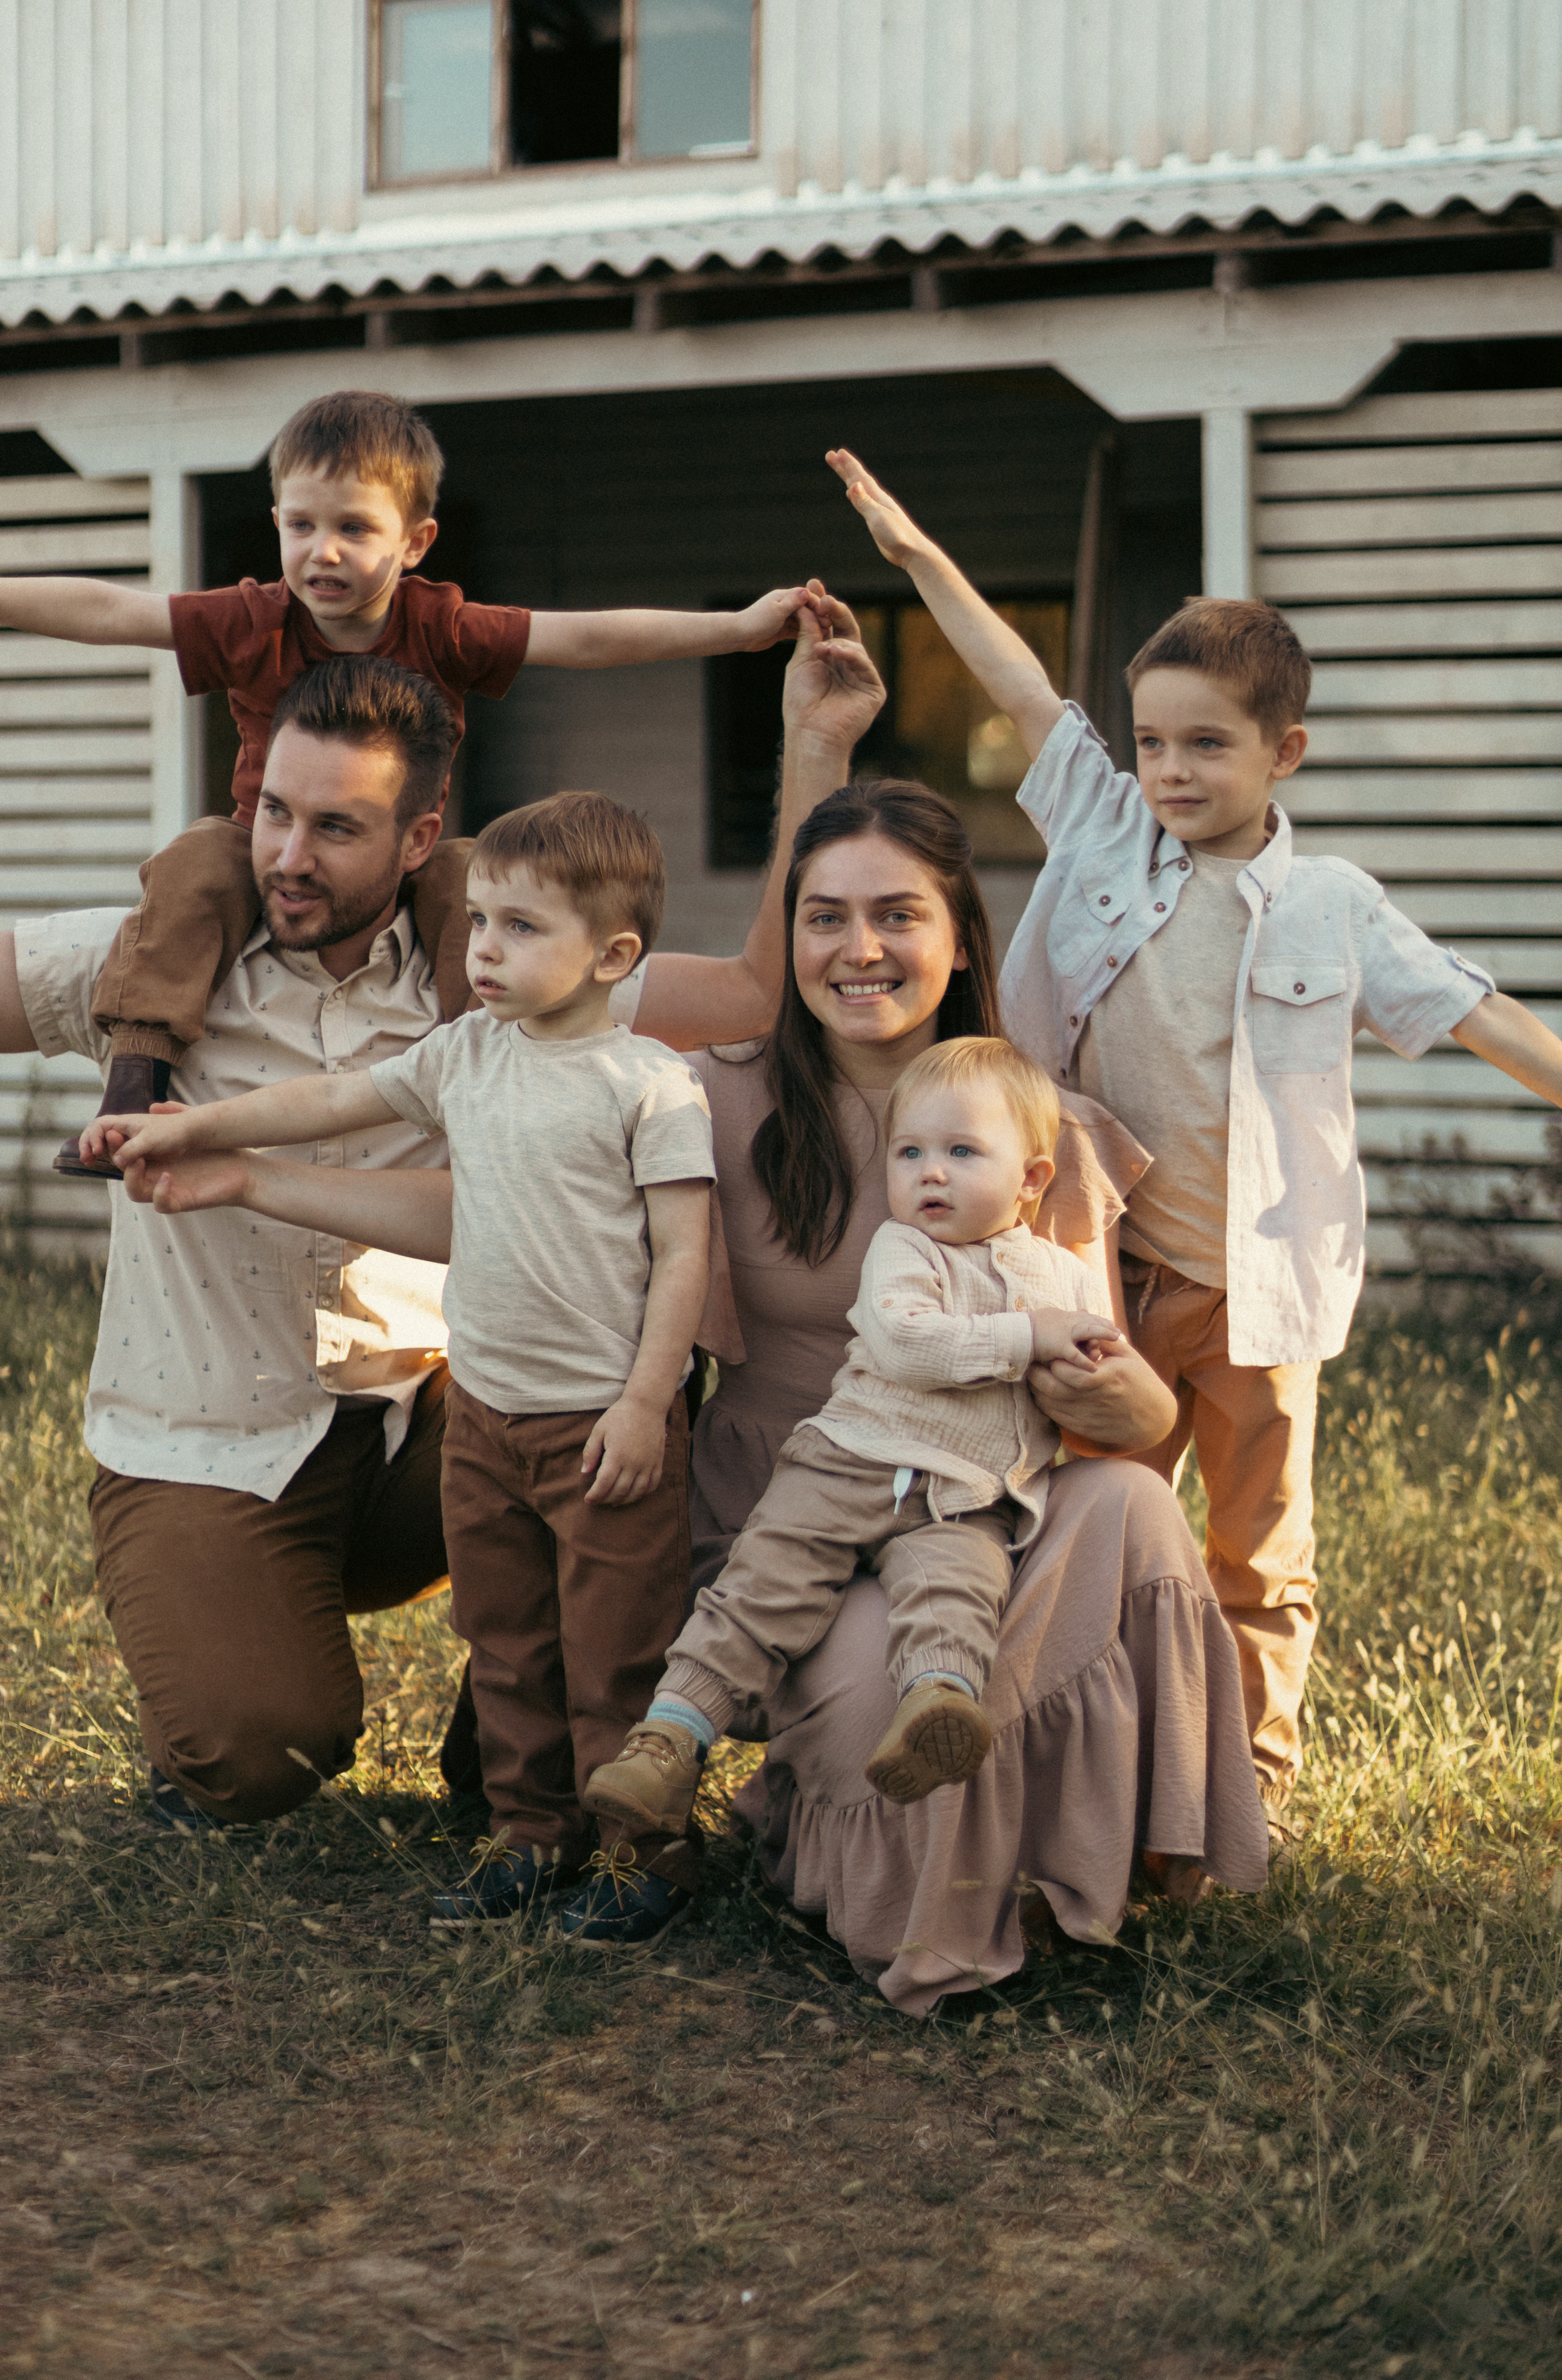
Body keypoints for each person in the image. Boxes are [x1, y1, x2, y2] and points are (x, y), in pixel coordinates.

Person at [0, 579, 882, 1838]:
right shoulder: (148, 961)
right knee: (260, 1750)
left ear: (419, 837)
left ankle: (524, 1743)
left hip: (437, 1430)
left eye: (336, 828)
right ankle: (229, 1629)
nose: (288, 855)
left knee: (649, 1380)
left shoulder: (499, 967)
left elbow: (752, 993)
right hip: (207, 1435)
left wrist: (815, 748)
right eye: (273, 813)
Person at [827, 444, 1562, 1832]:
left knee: (1255, 1553)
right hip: (1091, 1278)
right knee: (1080, 1524)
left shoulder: (1333, 904)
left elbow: (1478, 1014)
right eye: (1151, 740)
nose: (1166, 768)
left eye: (1203, 745)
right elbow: (1017, 688)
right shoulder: (1101, 829)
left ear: (1282, 753)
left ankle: (1253, 1797)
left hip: (1256, 1291)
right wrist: (918, 561)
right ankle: (1087, 1769)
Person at [667, 777, 1270, 2010]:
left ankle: (1098, 1855)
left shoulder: (1038, 1129)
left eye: (898, 914)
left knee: (1138, 1510)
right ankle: (900, 1869)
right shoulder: (712, 1100)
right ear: (787, 938)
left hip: (985, 1512)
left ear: (956, 939)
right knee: (891, 1691)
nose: (860, 949)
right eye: (824, 916)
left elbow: (1134, 1415)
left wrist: (1125, 1401)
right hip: (805, 1519)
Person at [0, 389, 818, 1169]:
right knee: (198, 860)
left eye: (354, 528)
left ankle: (484, 1094)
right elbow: (113, 612)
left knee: (472, 878)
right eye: (300, 525)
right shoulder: (254, 618)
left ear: (415, 541)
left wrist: (735, 632)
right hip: (247, 863)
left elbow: (589, 634)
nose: (322, 552)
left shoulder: (443, 624)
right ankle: (138, 1081)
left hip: (407, 875)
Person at [96, 790, 719, 1948]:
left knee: (612, 1646)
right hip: (483, 1413)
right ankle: (529, 1836)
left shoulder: (650, 1085)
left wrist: (646, 1402)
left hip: (601, 1424)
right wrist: (199, 1128)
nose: (484, 950)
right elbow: (331, 1097)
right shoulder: (466, 1054)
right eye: (480, 923)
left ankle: (648, 1852)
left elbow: (686, 1257)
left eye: (523, 929)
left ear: (615, 954)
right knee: (507, 1636)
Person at [586, 1036, 1120, 1832]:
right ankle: (669, 1739)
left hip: (965, 1496)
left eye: (961, 1152)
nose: (929, 1172)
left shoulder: (1067, 1279)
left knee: (958, 1598)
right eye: (910, 1153)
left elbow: (1098, 1368)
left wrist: (1096, 1370)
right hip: (846, 1463)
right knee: (762, 1589)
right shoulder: (901, 1250)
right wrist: (1029, 1338)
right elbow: (910, 1342)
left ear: (1032, 1179)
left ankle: (935, 1709)